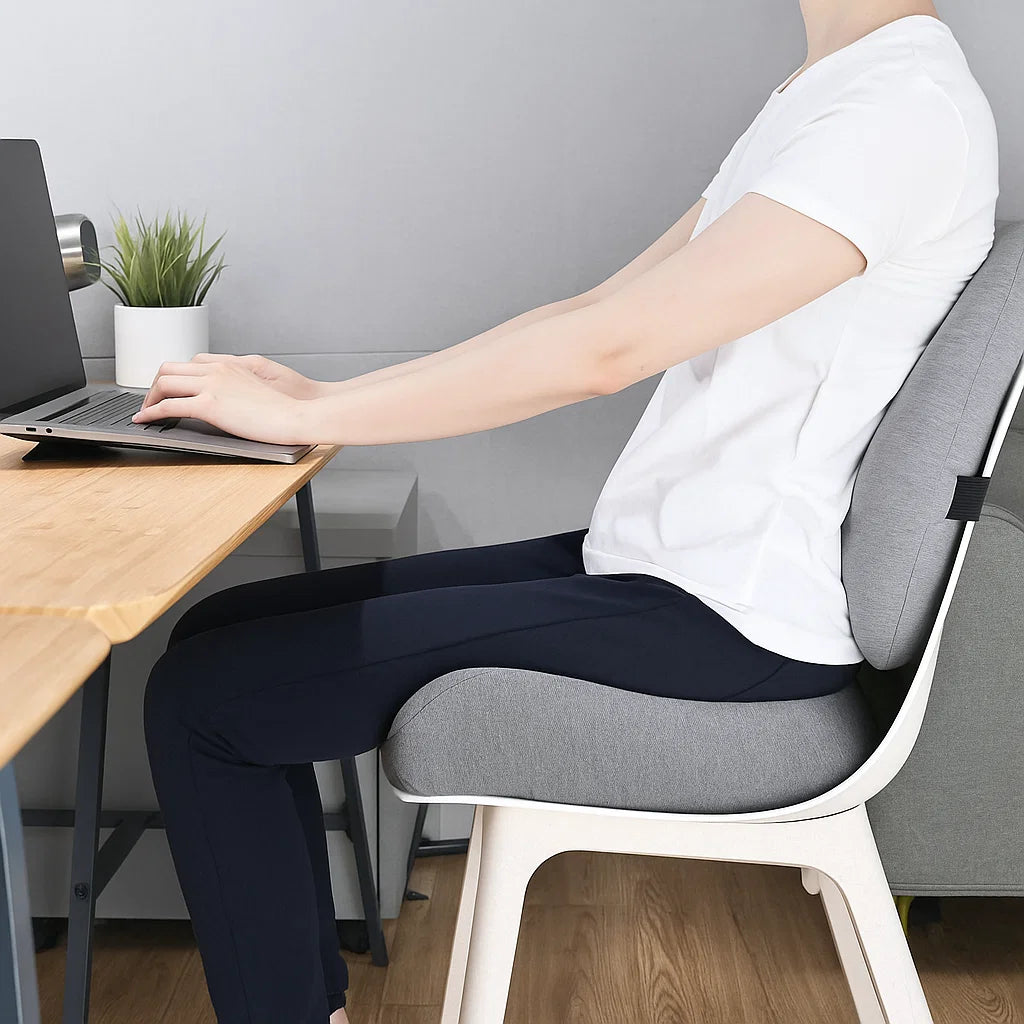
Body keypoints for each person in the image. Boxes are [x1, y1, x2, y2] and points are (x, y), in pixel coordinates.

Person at [137, 1, 998, 1021]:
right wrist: (312, 398)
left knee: (205, 697)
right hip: (667, 568)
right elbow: (592, 312)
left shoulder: (897, 110)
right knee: (219, 632)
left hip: (734, 614)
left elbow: (608, 355)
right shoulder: (832, 92)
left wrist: (323, 411)